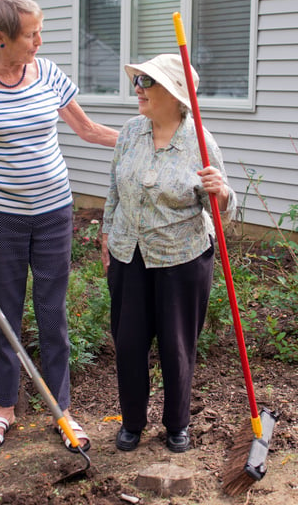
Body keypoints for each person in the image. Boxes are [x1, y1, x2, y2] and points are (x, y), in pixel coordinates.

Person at [0, 0, 119, 451]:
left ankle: (62, 409)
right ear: (1, 38)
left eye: (40, 31)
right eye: (32, 34)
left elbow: (88, 129)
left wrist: (154, 136)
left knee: (53, 313)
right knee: (5, 314)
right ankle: (4, 409)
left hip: (54, 212)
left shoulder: (49, 72)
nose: (40, 41)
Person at [101, 54, 237, 453]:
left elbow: (224, 208)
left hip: (183, 259)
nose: (138, 88)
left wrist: (222, 193)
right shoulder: (130, 132)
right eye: (138, 80)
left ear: (176, 94)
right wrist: (108, 233)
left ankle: (177, 425)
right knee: (128, 344)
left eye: (147, 82)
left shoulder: (200, 142)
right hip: (130, 255)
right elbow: (114, 186)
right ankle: (132, 422)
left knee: (177, 348)